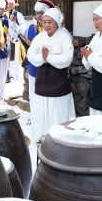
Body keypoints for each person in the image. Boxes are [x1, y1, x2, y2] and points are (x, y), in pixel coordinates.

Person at [26, 7, 75, 143]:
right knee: (41, 110)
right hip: (42, 79)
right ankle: (42, 138)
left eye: (50, 22)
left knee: (57, 111)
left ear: (57, 23)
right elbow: (31, 54)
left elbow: (67, 59)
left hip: (58, 80)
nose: (46, 25)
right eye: (45, 22)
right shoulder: (39, 37)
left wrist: (49, 57)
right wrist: (43, 58)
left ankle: (60, 139)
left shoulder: (64, 38)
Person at [18, 0, 55, 102]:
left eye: (42, 13)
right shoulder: (30, 28)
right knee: (34, 100)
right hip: (33, 71)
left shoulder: (56, 32)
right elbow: (15, 37)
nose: (39, 15)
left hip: (48, 74)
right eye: (37, 13)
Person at [5, 0, 25, 81]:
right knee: (7, 58)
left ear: (14, 5)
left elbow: (23, 26)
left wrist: (15, 25)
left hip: (14, 39)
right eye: (9, 4)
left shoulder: (18, 15)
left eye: (11, 4)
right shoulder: (4, 14)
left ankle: (15, 76)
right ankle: (8, 75)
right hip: (5, 39)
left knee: (14, 58)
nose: (10, 5)